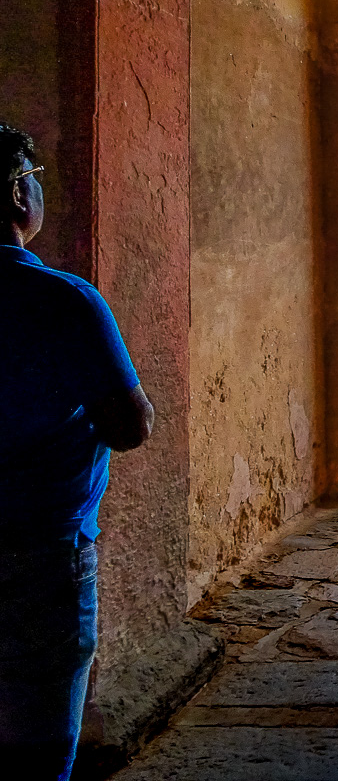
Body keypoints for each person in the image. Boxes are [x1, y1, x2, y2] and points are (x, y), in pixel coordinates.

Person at [0, 123, 154, 779]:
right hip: (41, 557)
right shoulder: (63, 301)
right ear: (17, 194)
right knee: (38, 745)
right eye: (34, 179)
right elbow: (128, 425)